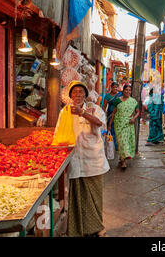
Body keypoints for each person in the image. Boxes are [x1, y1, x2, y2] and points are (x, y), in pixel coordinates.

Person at [54, 80, 109, 237]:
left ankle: (98, 227)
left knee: (95, 196)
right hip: (75, 159)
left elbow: (100, 123)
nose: (77, 95)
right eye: (74, 92)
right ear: (70, 95)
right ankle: (78, 229)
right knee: (77, 196)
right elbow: (58, 133)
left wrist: (83, 113)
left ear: (85, 94)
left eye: (80, 92)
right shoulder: (65, 112)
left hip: (93, 160)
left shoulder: (94, 109)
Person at [109, 85, 140, 169]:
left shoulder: (133, 101)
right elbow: (113, 113)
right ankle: (123, 161)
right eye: (126, 90)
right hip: (118, 124)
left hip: (128, 124)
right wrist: (109, 125)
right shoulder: (117, 101)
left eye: (129, 90)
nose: (128, 92)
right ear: (123, 91)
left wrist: (133, 118)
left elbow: (137, 112)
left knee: (125, 141)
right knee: (121, 141)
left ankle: (123, 160)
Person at [102, 82, 122, 150]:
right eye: (114, 87)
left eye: (116, 87)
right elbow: (104, 107)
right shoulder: (107, 96)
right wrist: (102, 115)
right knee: (110, 129)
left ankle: (117, 146)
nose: (115, 89)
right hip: (110, 114)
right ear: (111, 88)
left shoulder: (120, 95)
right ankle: (111, 145)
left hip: (119, 115)